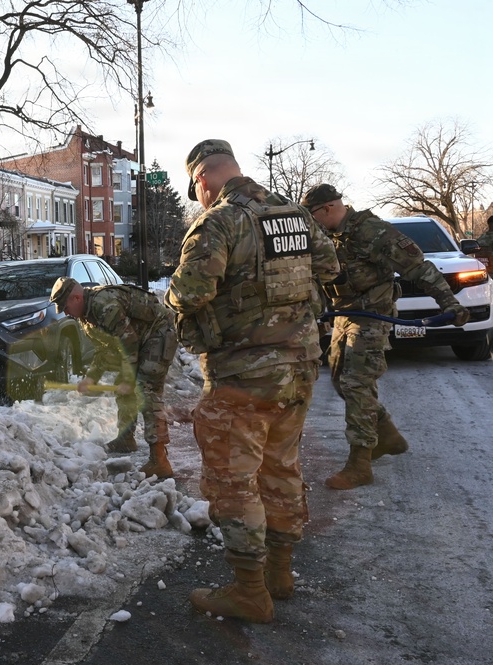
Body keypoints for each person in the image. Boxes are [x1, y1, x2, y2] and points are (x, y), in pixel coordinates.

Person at [165, 139, 340, 623]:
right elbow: (329, 266)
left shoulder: (217, 222)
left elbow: (190, 292)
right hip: (300, 367)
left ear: (202, 178)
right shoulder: (295, 215)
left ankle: (249, 590)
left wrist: (173, 299)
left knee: (234, 481)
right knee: (281, 467)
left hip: (243, 376)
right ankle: (279, 575)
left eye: (194, 188)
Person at [300, 184, 470, 491]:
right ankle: (388, 434)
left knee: (356, 383)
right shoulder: (327, 237)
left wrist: (450, 303)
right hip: (344, 315)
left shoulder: (373, 232)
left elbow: (418, 268)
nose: (311, 223)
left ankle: (360, 463)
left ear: (326, 209)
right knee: (340, 380)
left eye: (312, 216)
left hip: (372, 315)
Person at [49, 276, 177, 478]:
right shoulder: (86, 317)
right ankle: (126, 439)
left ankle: (159, 459)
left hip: (159, 332)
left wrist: (129, 379)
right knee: (124, 386)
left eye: (65, 306)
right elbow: (105, 349)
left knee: (146, 390)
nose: (65, 312)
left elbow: (130, 343)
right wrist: (91, 378)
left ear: (75, 298)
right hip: (139, 340)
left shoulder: (104, 305)